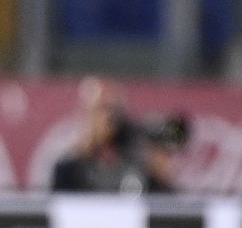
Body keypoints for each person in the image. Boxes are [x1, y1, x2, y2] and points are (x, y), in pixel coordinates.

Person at [51, 80, 187, 194]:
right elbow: (57, 201)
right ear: (87, 113)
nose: (109, 118)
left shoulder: (136, 148)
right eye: (102, 109)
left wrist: (157, 167)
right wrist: (87, 147)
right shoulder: (71, 164)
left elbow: (177, 134)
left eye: (115, 110)